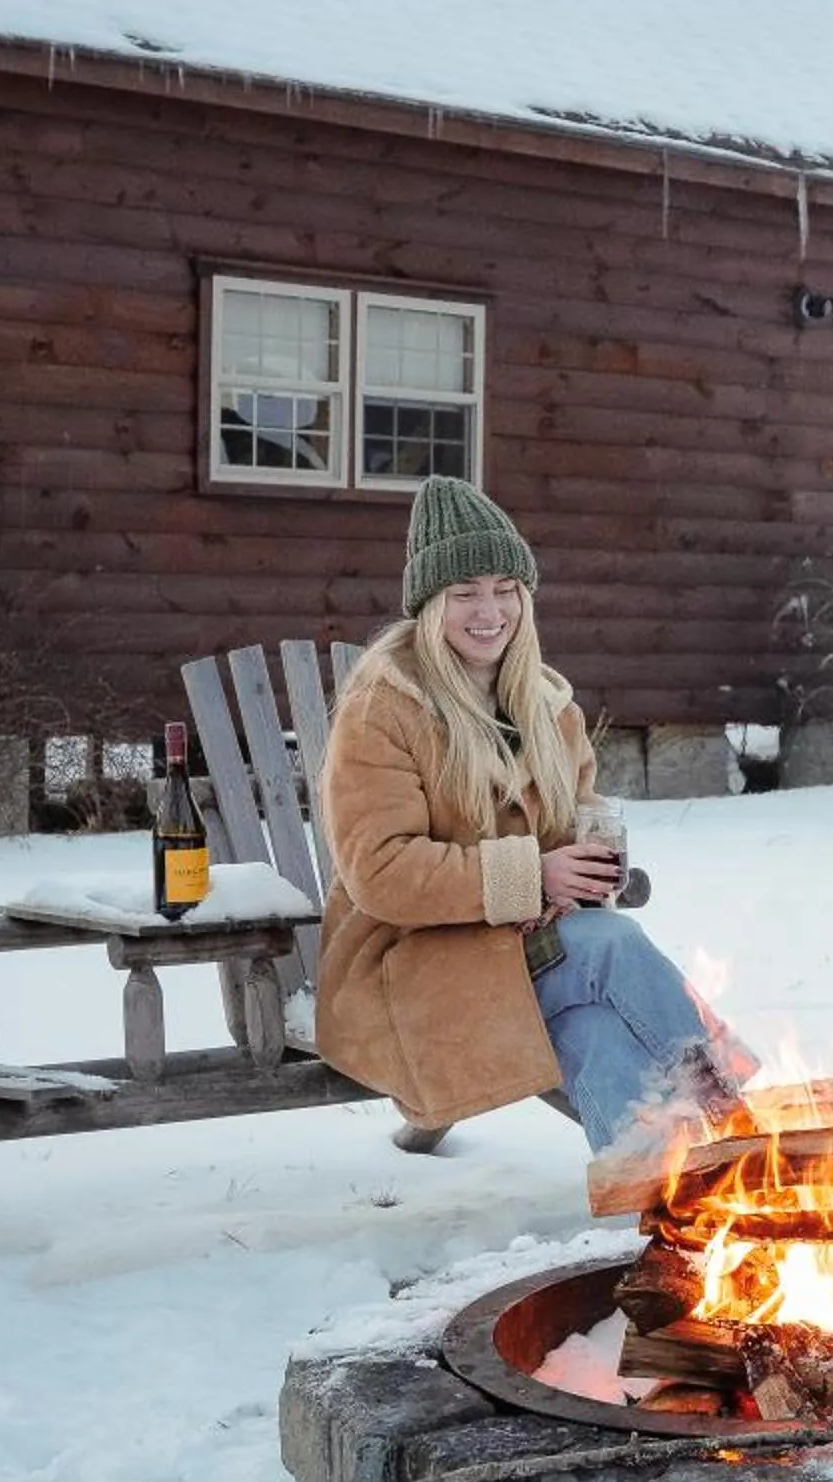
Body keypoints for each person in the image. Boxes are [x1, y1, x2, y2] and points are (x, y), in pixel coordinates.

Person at [314, 476, 751, 1150]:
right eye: (465, 594)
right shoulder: (386, 709)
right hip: (413, 966)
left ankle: (661, 1197)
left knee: (594, 1033)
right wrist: (536, 876)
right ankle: (741, 1117)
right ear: (430, 606)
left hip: (523, 953)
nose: (489, 611)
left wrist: (591, 859)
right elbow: (381, 871)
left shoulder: (548, 708)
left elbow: (570, 820)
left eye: (505, 589)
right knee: (610, 945)